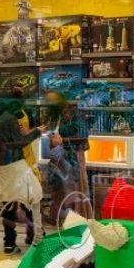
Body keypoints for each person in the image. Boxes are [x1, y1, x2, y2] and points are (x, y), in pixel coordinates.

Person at [0, 88, 45, 254]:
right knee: (34, 197)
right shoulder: (10, 118)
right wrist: (37, 132)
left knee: (8, 202)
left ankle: (9, 243)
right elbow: (20, 142)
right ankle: (37, 236)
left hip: (4, 165)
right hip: (17, 163)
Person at [43, 91, 90, 226]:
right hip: (59, 156)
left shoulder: (73, 112)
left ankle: (76, 220)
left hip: (73, 155)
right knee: (59, 188)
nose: (49, 104)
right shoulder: (55, 115)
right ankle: (58, 218)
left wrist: (62, 138)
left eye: (52, 101)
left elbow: (82, 133)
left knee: (74, 187)